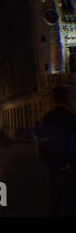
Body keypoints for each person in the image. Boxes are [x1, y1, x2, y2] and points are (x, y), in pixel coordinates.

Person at [35, 86, 76, 216]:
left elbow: (43, 140)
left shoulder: (48, 117)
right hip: (71, 165)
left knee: (55, 200)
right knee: (70, 201)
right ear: (67, 99)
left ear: (53, 99)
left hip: (53, 164)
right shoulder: (71, 117)